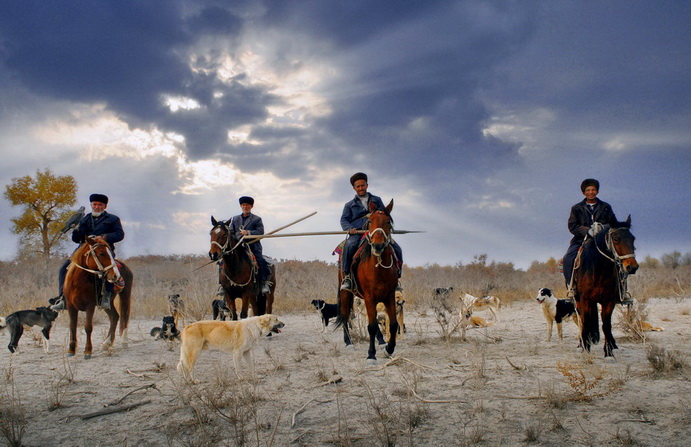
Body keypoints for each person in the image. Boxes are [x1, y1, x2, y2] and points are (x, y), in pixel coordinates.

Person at [51, 194, 125, 310]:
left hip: (103, 251)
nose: (97, 207)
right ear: (91, 205)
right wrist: (75, 230)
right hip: (84, 251)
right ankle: (63, 299)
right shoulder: (84, 219)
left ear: (105, 206)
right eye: (94, 204)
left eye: (100, 204)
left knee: (109, 270)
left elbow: (119, 234)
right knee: (63, 269)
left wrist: (103, 237)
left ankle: (106, 297)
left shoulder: (113, 219)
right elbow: (76, 239)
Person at [339, 172, 403, 291]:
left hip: (376, 232)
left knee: (397, 248)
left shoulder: (377, 200)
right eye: (358, 186)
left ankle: (397, 278)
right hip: (358, 232)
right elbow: (344, 220)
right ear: (354, 188)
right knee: (349, 245)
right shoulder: (349, 205)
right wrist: (349, 229)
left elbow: (383, 214)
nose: (361, 188)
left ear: (367, 185)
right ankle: (347, 277)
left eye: (362, 185)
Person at [562, 178, 622, 299]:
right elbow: (572, 226)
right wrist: (587, 231)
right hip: (581, 240)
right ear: (583, 192)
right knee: (568, 258)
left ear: (597, 191)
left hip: (603, 242)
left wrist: (602, 228)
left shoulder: (606, 207)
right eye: (588, 190)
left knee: (619, 259)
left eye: (593, 189)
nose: (591, 192)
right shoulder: (576, 208)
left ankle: (620, 289)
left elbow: (613, 223)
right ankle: (572, 286)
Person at [229, 196, 272, 294]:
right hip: (237, 246)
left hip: (252, 246)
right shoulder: (235, 219)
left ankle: (264, 283)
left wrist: (248, 232)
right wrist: (238, 235)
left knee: (260, 261)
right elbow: (231, 232)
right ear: (241, 206)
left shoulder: (257, 219)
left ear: (251, 206)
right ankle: (223, 286)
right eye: (243, 205)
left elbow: (260, 232)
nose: (245, 207)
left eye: (247, 205)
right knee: (223, 262)